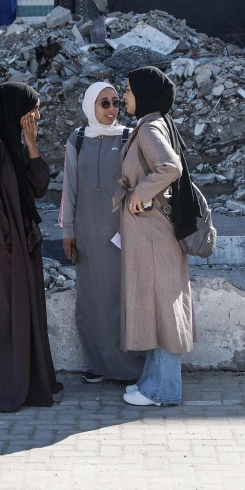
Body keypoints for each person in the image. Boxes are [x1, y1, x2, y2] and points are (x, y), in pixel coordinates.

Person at [0, 82, 64, 412]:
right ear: (14, 110)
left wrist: (31, 144)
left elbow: (37, 186)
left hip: (25, 242)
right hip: (7, 246)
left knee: (27, 308)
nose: (35, 115)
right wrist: (6, 243)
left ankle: (31, 378)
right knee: (5, 311)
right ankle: (0, 384)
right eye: (31, 109)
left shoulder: (11, 143)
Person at [116, 66, 199, 407]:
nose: (123, 97)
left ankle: (164, 391)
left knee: (163, 308)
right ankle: (151, 383)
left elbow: (171, 166)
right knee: (155, 307)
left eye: (128, 90)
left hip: (154, 234)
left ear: (144, 94)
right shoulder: (154, 123)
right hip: (150, 233)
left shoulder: (150, 128)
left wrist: (141, 193)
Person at [59, 82, 145, 385]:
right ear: (90, 107)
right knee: (90, 299)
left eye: (115, 103)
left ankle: (127, 367)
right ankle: (96, 364)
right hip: (85, 232)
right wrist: (68, 230)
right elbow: (69, 188)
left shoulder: (127, 137)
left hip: (119, 232)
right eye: (104, 104)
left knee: (120, 298)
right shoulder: (78, 139)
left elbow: (137, 183)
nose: (112, 109)